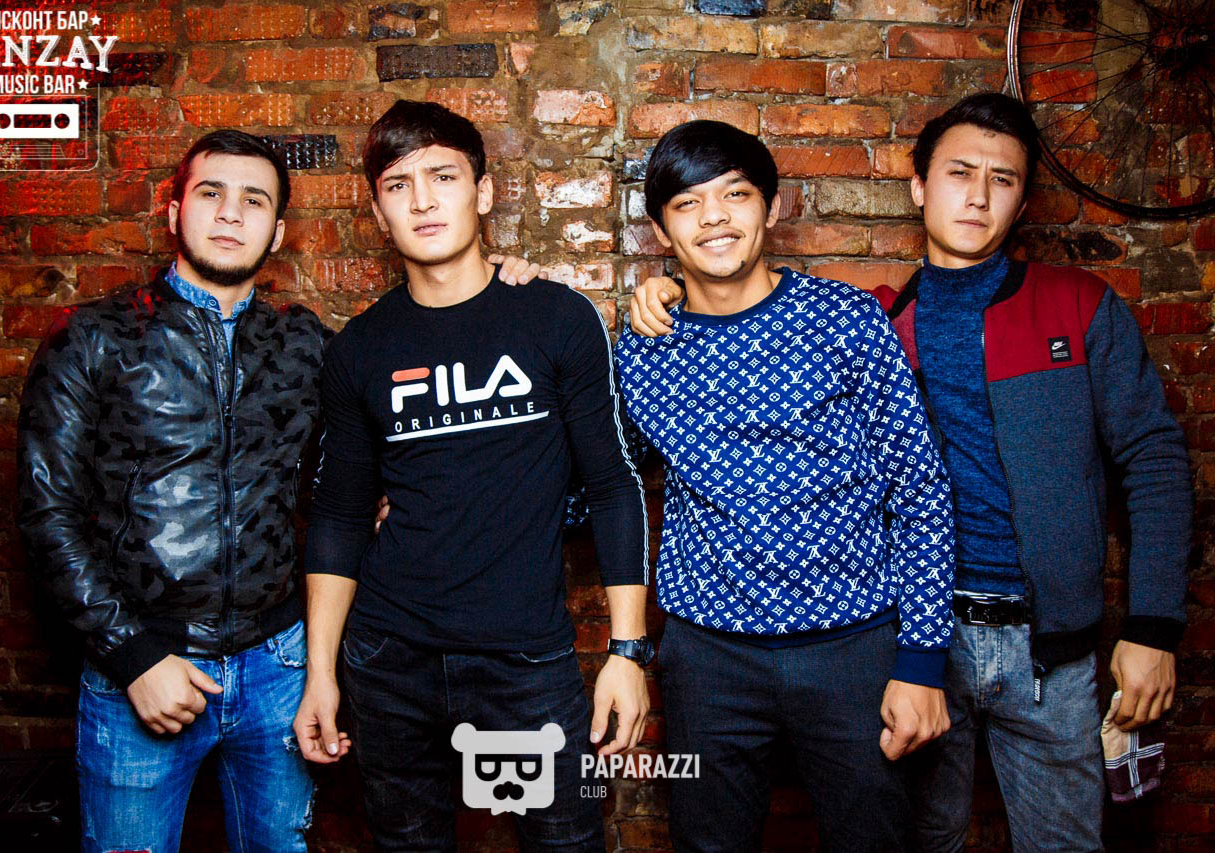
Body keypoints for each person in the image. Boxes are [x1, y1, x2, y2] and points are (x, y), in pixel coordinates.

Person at [629, 93, 1192, 852]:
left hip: (976, 643)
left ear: (772, 207)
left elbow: (1139, 463)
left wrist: (1151, 625)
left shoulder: (1039, 308)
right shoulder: (865, 317)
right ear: (920, 185)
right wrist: (647, 290)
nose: (978, 195)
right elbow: (610, 474)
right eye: (960, 173)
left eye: (1002, 179)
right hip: (809, 641)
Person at [292, 99, 650, 852]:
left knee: (564, 844)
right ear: (378, 213)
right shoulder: (360, 348)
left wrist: (627, 650)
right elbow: (339, 516)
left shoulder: (555, 318)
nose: (422, 200)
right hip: (388, 660)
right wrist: (320, 672)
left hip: (523, 661)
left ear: (483, 193)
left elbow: (614, 484)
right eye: (398, 185)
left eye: (443, 176)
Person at [615, 119, 956, 853]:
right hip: (709, 658)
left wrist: (922, 659)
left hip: (854, 648)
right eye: (688, 204)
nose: (714, 218)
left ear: (770, 207)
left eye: (735, 195)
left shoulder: (846, 319)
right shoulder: (643, 350)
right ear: (661, 230)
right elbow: (607, 484)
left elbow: (918, 488)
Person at [17, 130, 323, 852]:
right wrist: (132, 654)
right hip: (143, 665)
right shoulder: (93, 337)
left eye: (254, 200)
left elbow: (359, 471)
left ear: (278, 232)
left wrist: (501, 284)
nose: (230, 213)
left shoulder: (306, 344)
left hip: (278, 667)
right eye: (211, 193)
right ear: (174, 211)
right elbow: (46, 511)